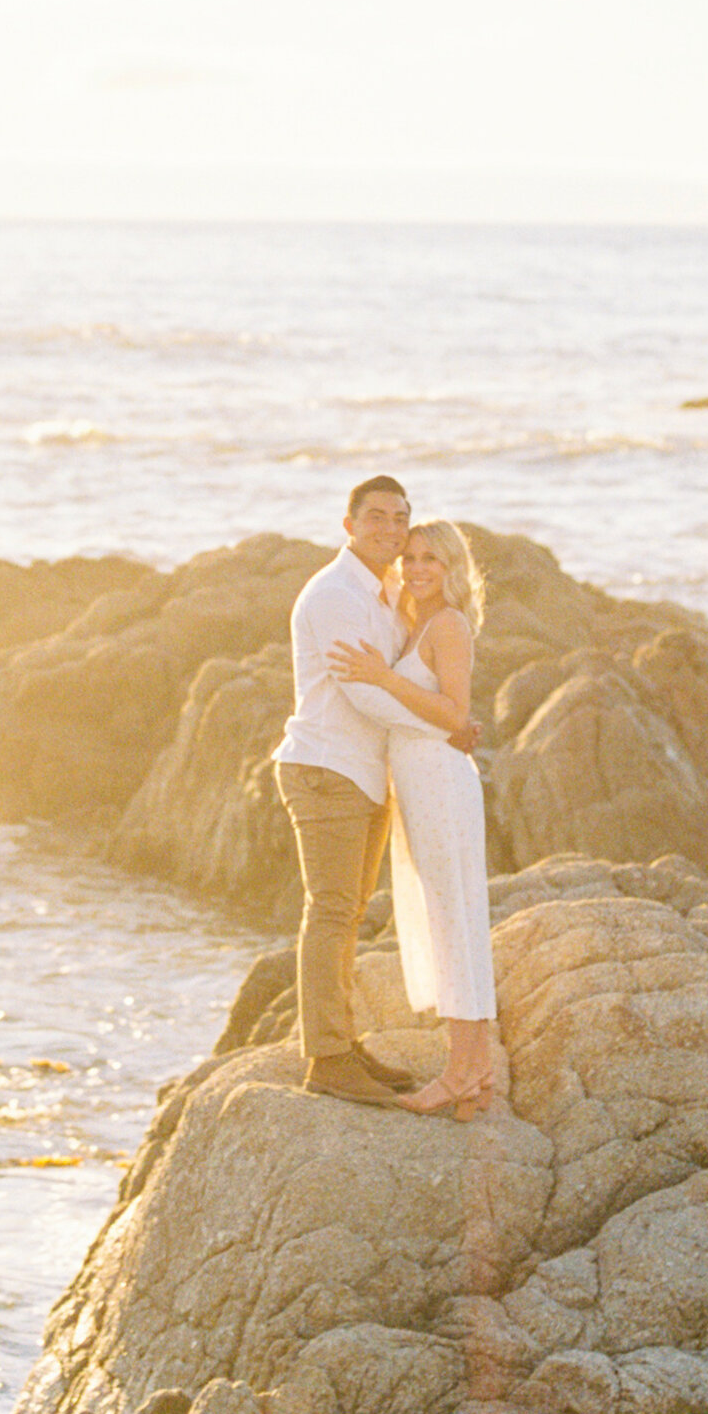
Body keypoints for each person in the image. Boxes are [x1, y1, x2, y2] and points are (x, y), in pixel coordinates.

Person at [274, 475, 437, 1109]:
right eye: (376, 518)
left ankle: (342, 1043)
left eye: (400, 519)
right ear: (348, 525)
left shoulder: (386, 588)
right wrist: (445, 721)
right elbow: (364, 692)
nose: (391, 530)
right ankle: (328, 1060)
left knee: (348, 915)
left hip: (364, 772)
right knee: (333, 912)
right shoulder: (335, 594)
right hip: (326, 769)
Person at [329, 520, 497, 1119]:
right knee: (446, 916)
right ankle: (475, 1069)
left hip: (441, 783)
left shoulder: (448, 625)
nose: (419, 567)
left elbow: (456, 715)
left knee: (456, 920)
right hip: (419, 782)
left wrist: (378, 677)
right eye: (413, 557)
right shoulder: (412, 623)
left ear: (452, 568)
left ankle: (460, 1072)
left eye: (433, 559)